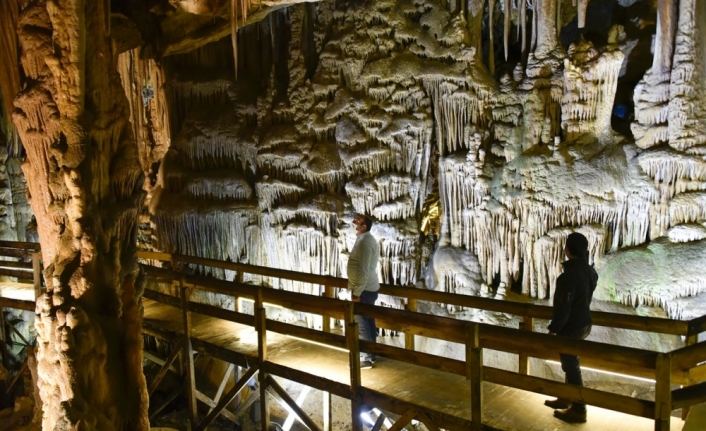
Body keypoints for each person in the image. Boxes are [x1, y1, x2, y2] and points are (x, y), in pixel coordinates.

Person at [544, 232, 598, 423]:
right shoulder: (590, 272)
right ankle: (567, 397)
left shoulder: (568, 277)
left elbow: (563, 308)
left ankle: (579, 408)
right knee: (570, 362)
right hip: (585, 324)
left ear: (567, 250)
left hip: (571, 327)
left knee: (571, 366)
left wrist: (554, 329)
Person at [347, 214, 380, 369]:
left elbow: (364, 270)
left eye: (357, 220)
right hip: (365, 288)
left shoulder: (365, 242)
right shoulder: (364, 239)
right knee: (368, 321)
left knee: (362, 323)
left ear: (364, 226)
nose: (354, 221)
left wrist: (357, 292)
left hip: (364, 290)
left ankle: (366, 358)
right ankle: (371, 354)